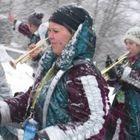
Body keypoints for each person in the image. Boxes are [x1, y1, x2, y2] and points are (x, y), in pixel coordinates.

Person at [0, 4, 110, 140]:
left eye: (56, 31)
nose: (49, 36)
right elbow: (32, 99)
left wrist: (47, 136)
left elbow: (94, 124)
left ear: (75, 34)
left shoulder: (84, 73)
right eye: (49, 30)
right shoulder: (52, 64)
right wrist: (4, 110)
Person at [105, 26, 140, 140]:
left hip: (135, 108)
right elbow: (117, 83)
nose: (127, 46)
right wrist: (112, 75)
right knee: (108, 130)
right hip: (119, 103)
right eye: (126, 43)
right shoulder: (126, 60)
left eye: (131, 43)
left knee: (130, 134)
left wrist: (124, 72)